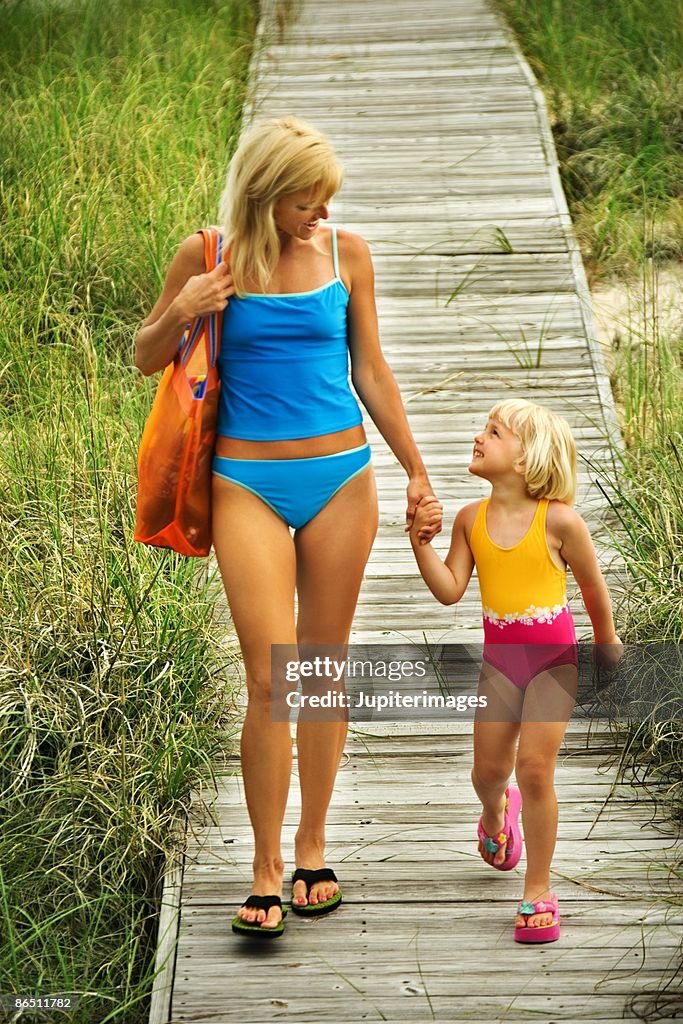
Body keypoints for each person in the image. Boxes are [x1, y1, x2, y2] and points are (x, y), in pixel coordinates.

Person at [134, 116, 441, 938]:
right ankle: (265, 865)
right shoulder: (204, 257)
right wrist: (188, 310)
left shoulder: (347, 255)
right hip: (245, 483)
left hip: (341, 479)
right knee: (271, 676)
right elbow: (142, 353)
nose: (322, 212)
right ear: (266, 194)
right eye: (308, 200)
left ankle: (312, 847)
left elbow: (370, 369)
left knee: (319, 672)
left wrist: (414, 468)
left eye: (327, 199)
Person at [409, 398, 623, 943]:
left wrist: (606, 643)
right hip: (501, 667)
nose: (480, 436)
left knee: (534, 768)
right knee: (488, 772)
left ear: (527, 460)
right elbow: (450, 590)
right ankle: (494, 812)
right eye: (484, 428)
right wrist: (420, 547)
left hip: (554, 664)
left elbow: (595, 590)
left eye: (495, 432)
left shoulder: (560, 522)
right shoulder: (468, 520)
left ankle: (539, 888)